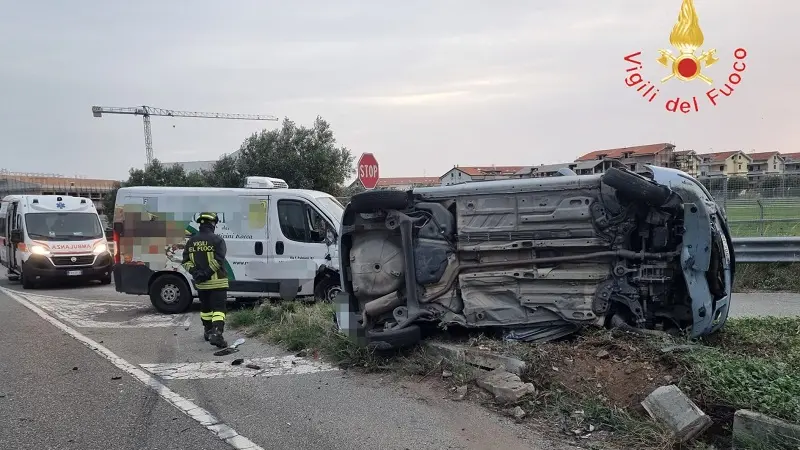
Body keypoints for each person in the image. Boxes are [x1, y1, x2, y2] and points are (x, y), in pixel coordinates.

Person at [181, 212, 229, 348]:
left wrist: (196, 273)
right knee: (219, 309)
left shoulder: (191, 241)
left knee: (206, 309)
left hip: (202, 284)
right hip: (218, 282)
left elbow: (185, 262)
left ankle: (208, 331)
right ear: (212, 224)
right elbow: (218, 260)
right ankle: (217, 334)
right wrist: (207, 273)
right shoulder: (218, 240)